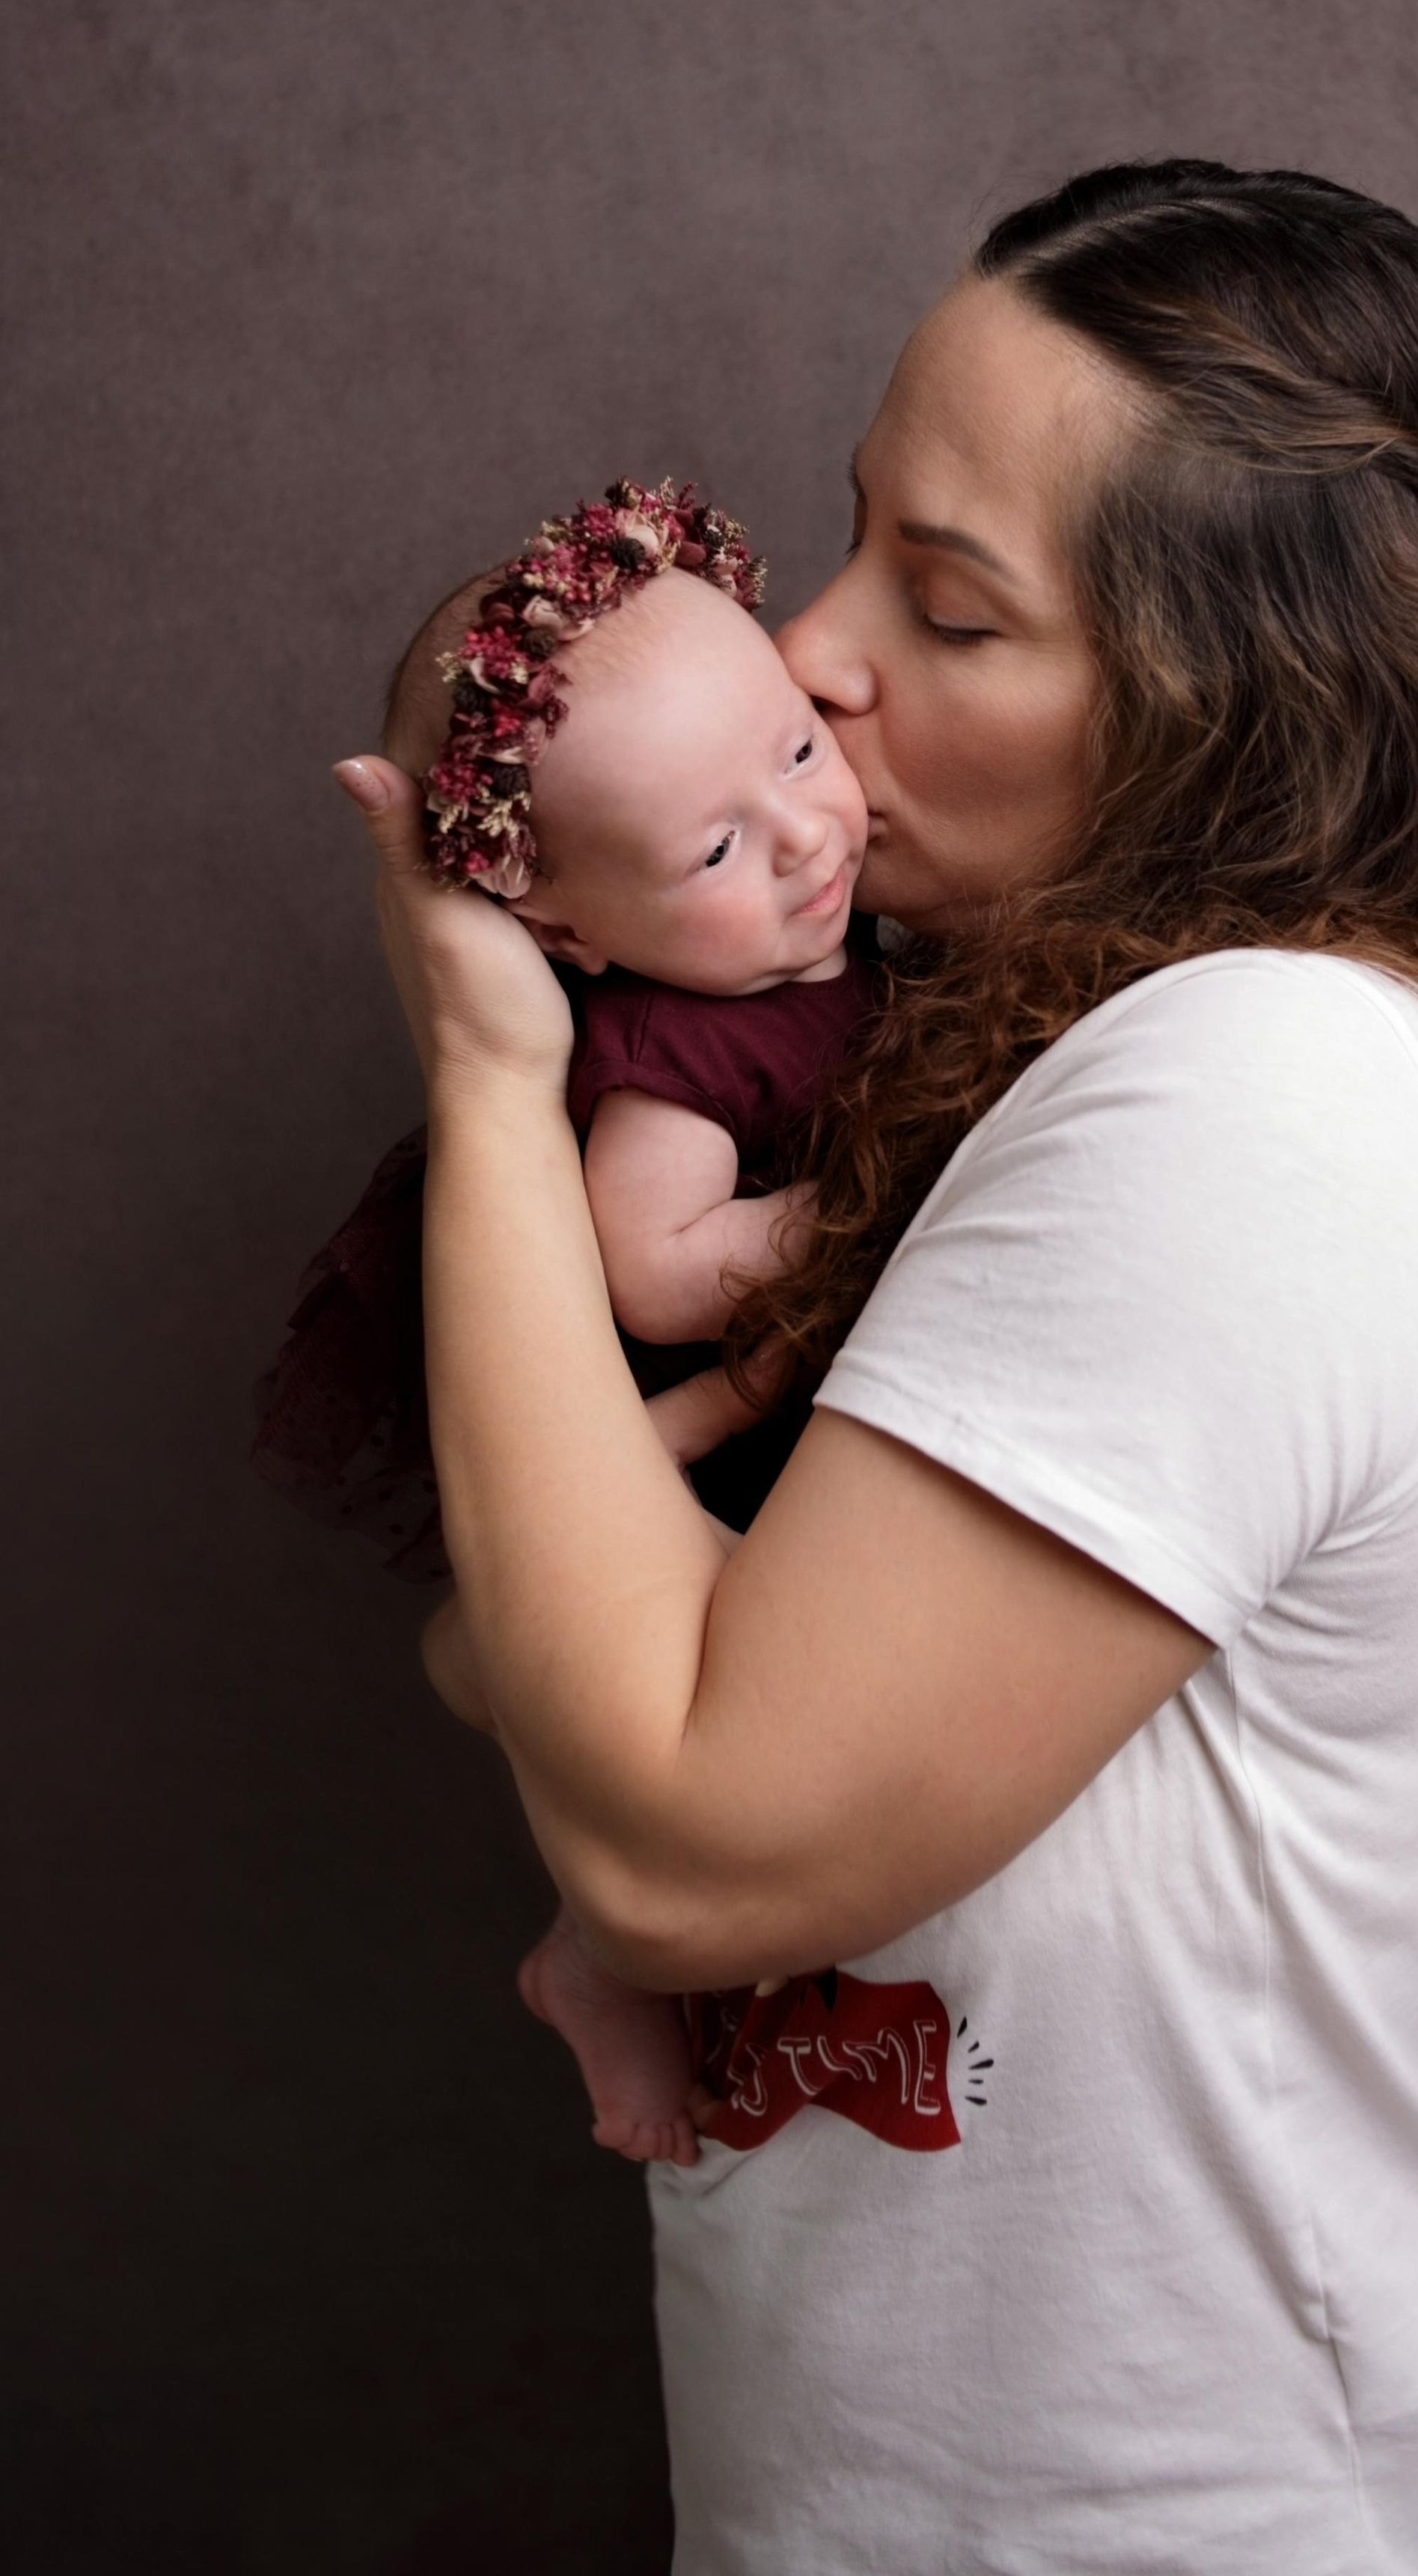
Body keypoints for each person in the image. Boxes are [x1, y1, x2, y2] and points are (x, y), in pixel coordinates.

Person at [334, 161, 1418, 2576]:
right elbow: (531, 1641)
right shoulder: (984, 1064)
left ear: (1223, 719)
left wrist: (484, 1074)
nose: (813, 650)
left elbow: (667, 1817)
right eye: (849, 542)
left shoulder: (1260, 1086)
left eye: (948, 607)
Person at [264, 478, 876, 2162]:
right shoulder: (679, 1062)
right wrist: (874, 1201)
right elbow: (656, 1269)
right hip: (708, 1463)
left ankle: (602, 1932)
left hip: (789, 1422)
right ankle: (601, 1957)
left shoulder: (851, 944)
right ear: (556, 927)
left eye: (799, 754)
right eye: (712, 849)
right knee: (735, 1734)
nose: (807, 835)